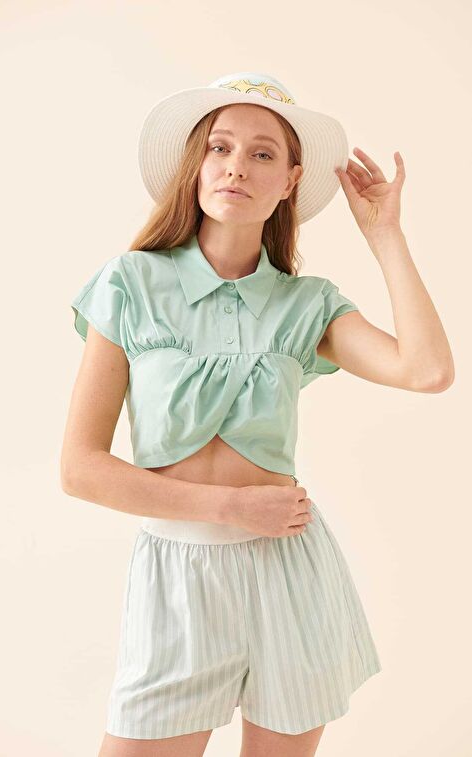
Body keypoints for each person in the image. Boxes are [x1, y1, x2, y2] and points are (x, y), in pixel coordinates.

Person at [61, 71, 454, 757]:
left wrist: (385, 235)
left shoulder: (308, 304)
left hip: (289, 571)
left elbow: (426, 371)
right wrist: (230, 507)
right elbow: (80, 469)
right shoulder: (131, 282)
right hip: (178, 577)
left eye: (262, 153)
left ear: (291, 180)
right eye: (219, 147)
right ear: (196, 165)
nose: (236, 166)